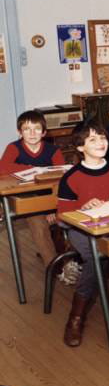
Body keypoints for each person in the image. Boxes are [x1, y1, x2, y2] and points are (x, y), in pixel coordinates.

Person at [57, 121, 109, 347]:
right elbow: (62, 218)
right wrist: (82, 209)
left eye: (102, 137)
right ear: (80, 147)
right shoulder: (71, 177)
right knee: (95, 256)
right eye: (93, 139)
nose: (101, 143)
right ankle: (76, 317)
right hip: (81, 230)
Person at [0, 110, 65, 268]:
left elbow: (61, 178)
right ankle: (55, 268)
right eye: (27, 129)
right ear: (19, 132)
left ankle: (61, 265)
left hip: (47, 199)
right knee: (37, 222)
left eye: (37, 129)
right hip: (23, 197)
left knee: (48, 223)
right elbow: (3, 167)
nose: (32, 133)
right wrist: (33, 169)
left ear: (44, 132)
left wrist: (52, 208)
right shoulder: (14, 147)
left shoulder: (53, 151)